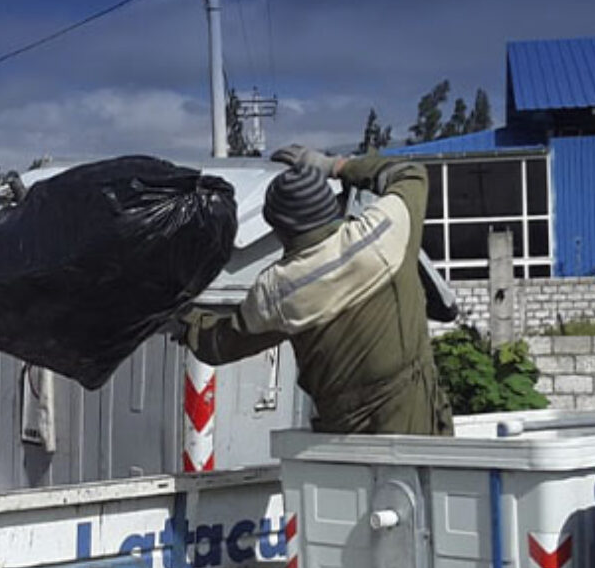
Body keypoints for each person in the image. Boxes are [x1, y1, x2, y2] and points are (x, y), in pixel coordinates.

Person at [177, 144, 440, 435]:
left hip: (343, 439)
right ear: (333, 208)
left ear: (278, 230)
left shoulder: (277, 291)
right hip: (419, 425)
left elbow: (218, 344)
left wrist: (177, 318)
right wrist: (335, 166)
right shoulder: (382, 234)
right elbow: (411, 174)